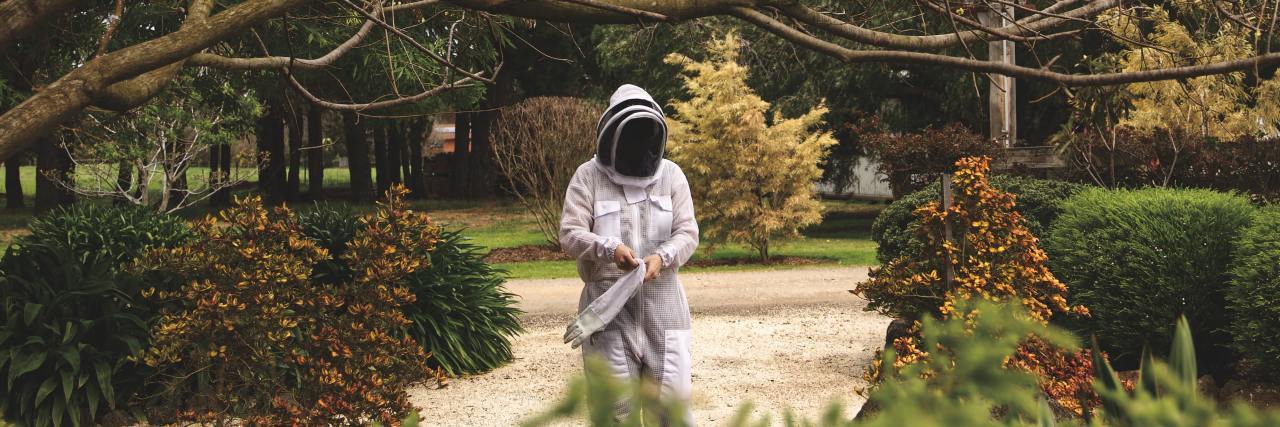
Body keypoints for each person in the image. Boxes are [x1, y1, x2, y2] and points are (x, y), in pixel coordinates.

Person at [559, 84, 699, 425]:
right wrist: (609, 249)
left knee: (671, 411)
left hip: (665, 310)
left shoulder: (672, 175)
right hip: (609, 312)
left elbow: (688, 232)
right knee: (614, 413)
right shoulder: (588, 176)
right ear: (611, 138)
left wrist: (662, 257)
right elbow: (569, 234)